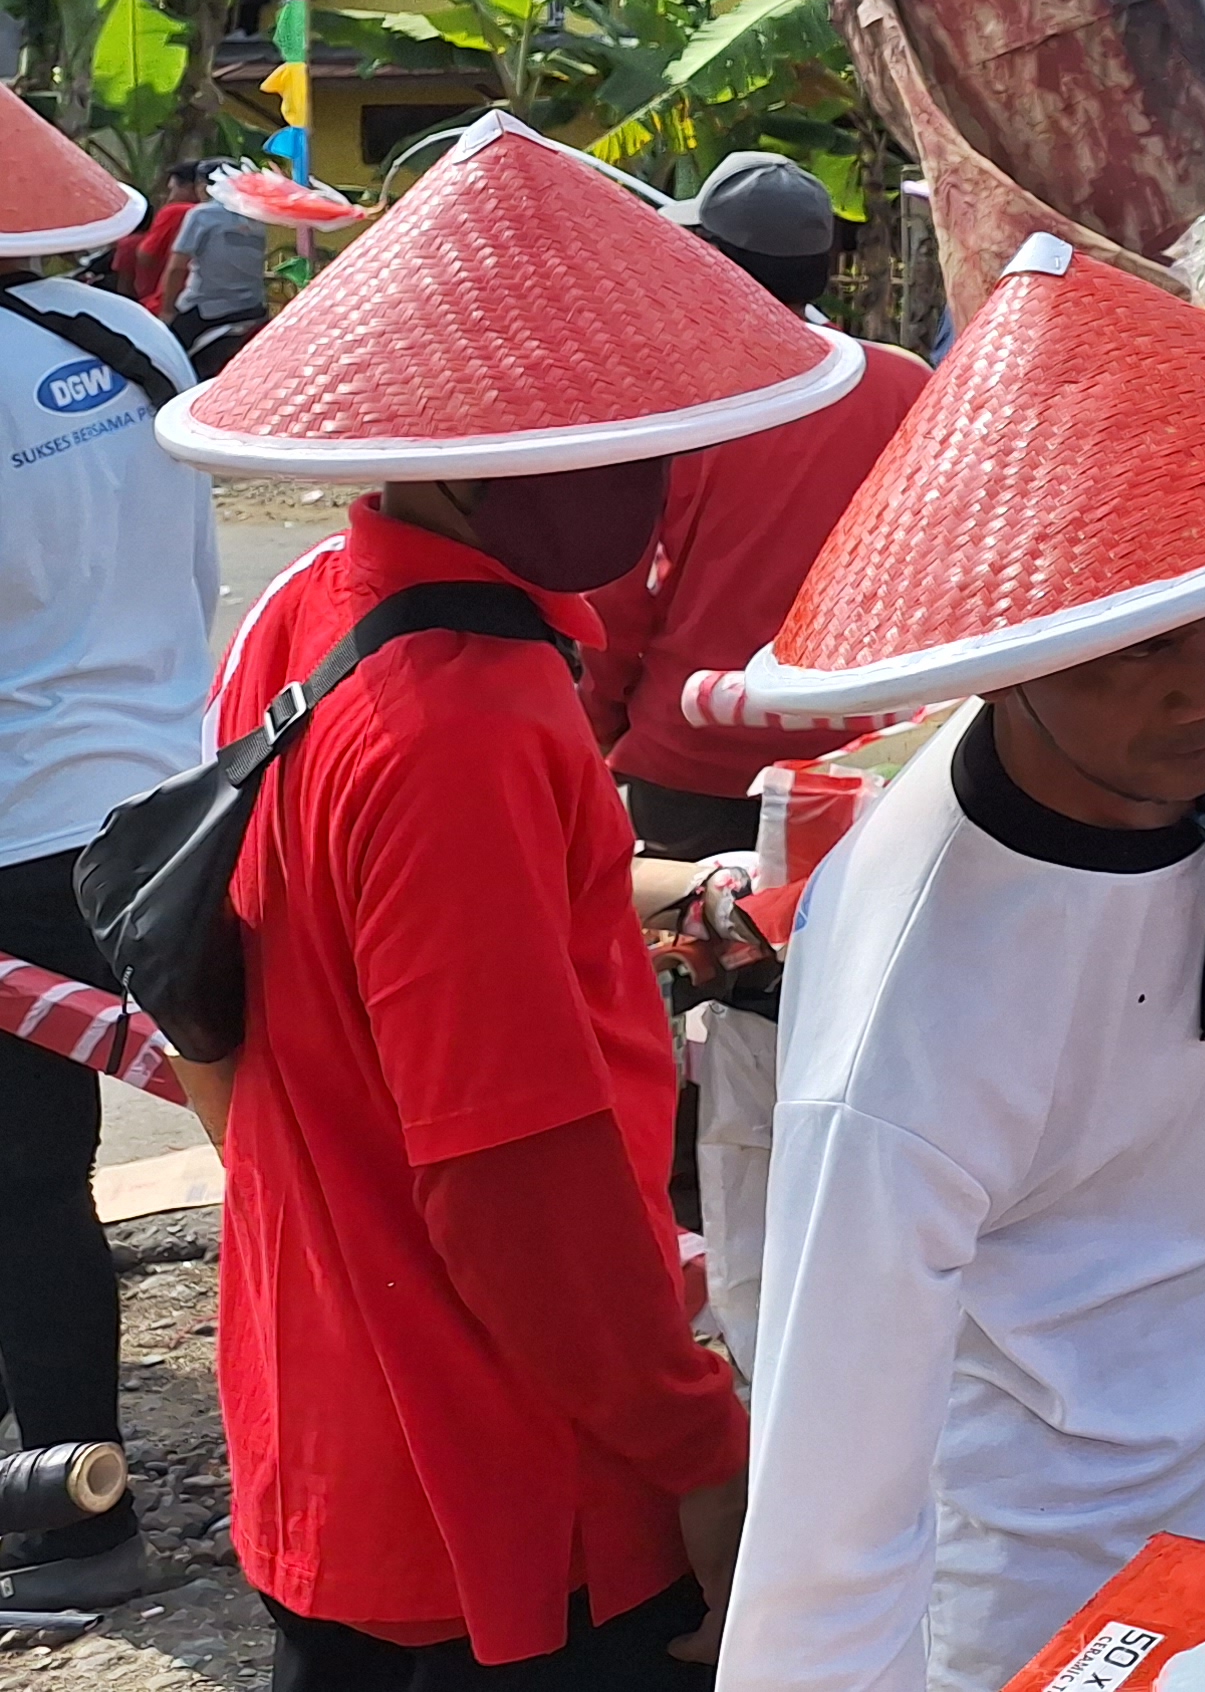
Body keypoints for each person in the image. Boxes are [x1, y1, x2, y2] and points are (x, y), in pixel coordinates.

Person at [714, 235, 1205, 1692]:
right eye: (1132, 651)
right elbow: (830, 1532)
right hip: (1029, 1579)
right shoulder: (906, 1019)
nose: (1203, 686)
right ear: (1008, 648)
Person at [147, 112, 873, 1689]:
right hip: (494, 1468)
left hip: (336, 1394)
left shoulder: (321, 616)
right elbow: (509, 1173)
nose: (630, 457)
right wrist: (693, 1445)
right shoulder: (463, 716)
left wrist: (645, 889)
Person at [0, 102, 217, 1613]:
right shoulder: (131, 338)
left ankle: (75, 1522)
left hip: (12, 835)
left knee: (24, 1184)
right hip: (176, 811)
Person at [583, 151, 933, 860]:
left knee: (687, 960)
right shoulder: (906, 385)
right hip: (864, 760)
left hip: (689, 755)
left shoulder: (673, 403)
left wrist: (599, 723)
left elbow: (614, 598)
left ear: (711, 266)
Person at [160, 164, 271, 370]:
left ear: (203, 186)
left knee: (165, 359)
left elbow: (177, 267)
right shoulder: (257, 216)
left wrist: (167, 311)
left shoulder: (202, 214)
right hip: (253, 308)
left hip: (206, 308)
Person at [107, 160, 201, 315]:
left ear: (191, 188)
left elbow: (146, 256)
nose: (170, 198)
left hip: (165, 304)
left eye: (173, 190)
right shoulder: (242, 214)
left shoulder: (177, 211)